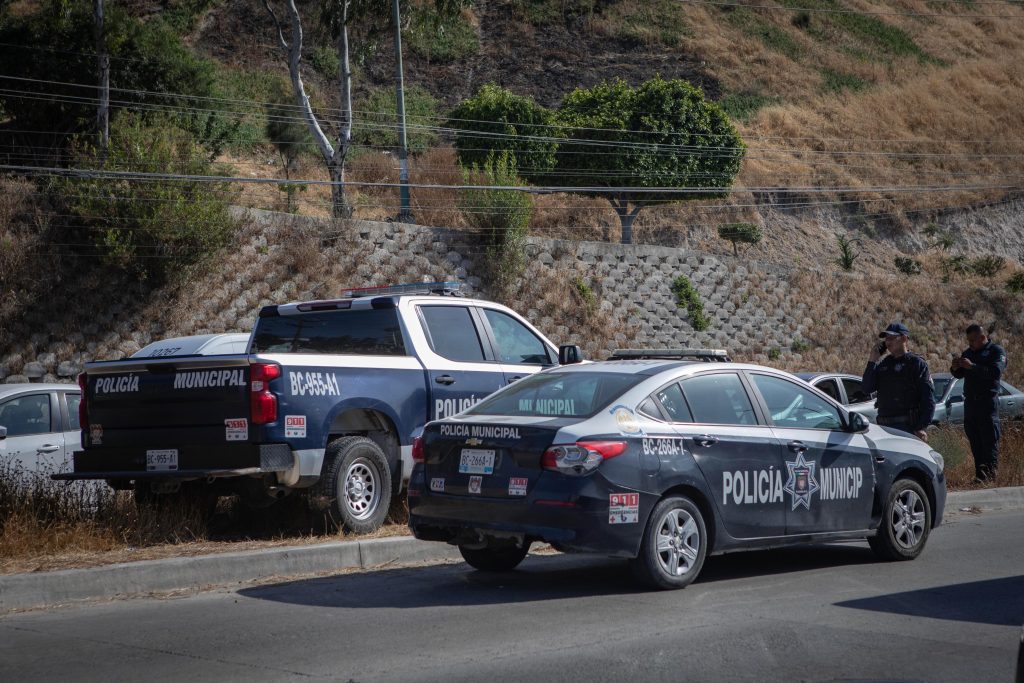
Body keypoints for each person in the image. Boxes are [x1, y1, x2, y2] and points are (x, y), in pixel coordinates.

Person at [951, 324, 1007, 482]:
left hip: (987, 403)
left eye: (972, 340)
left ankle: (990, 477)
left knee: (989, 440)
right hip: (970, 404)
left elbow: (995, 373)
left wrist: (973, 366)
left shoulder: (996, 351)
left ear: (982, 337)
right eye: (968, 341)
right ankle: (979, 476)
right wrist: (955, 368)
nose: (970, 344)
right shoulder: (968, 352)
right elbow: (959, 374)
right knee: (975, 440)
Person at [862, 322, 935, 441]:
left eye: (891, 338)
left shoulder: (916, 363)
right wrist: (872, 360)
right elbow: (866, 388)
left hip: (906, 427)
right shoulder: (884, 364)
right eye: (886, 339)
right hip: (884, 427)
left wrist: (921, 427)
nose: (888, 342)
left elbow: (928, 399)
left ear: (904, 338)